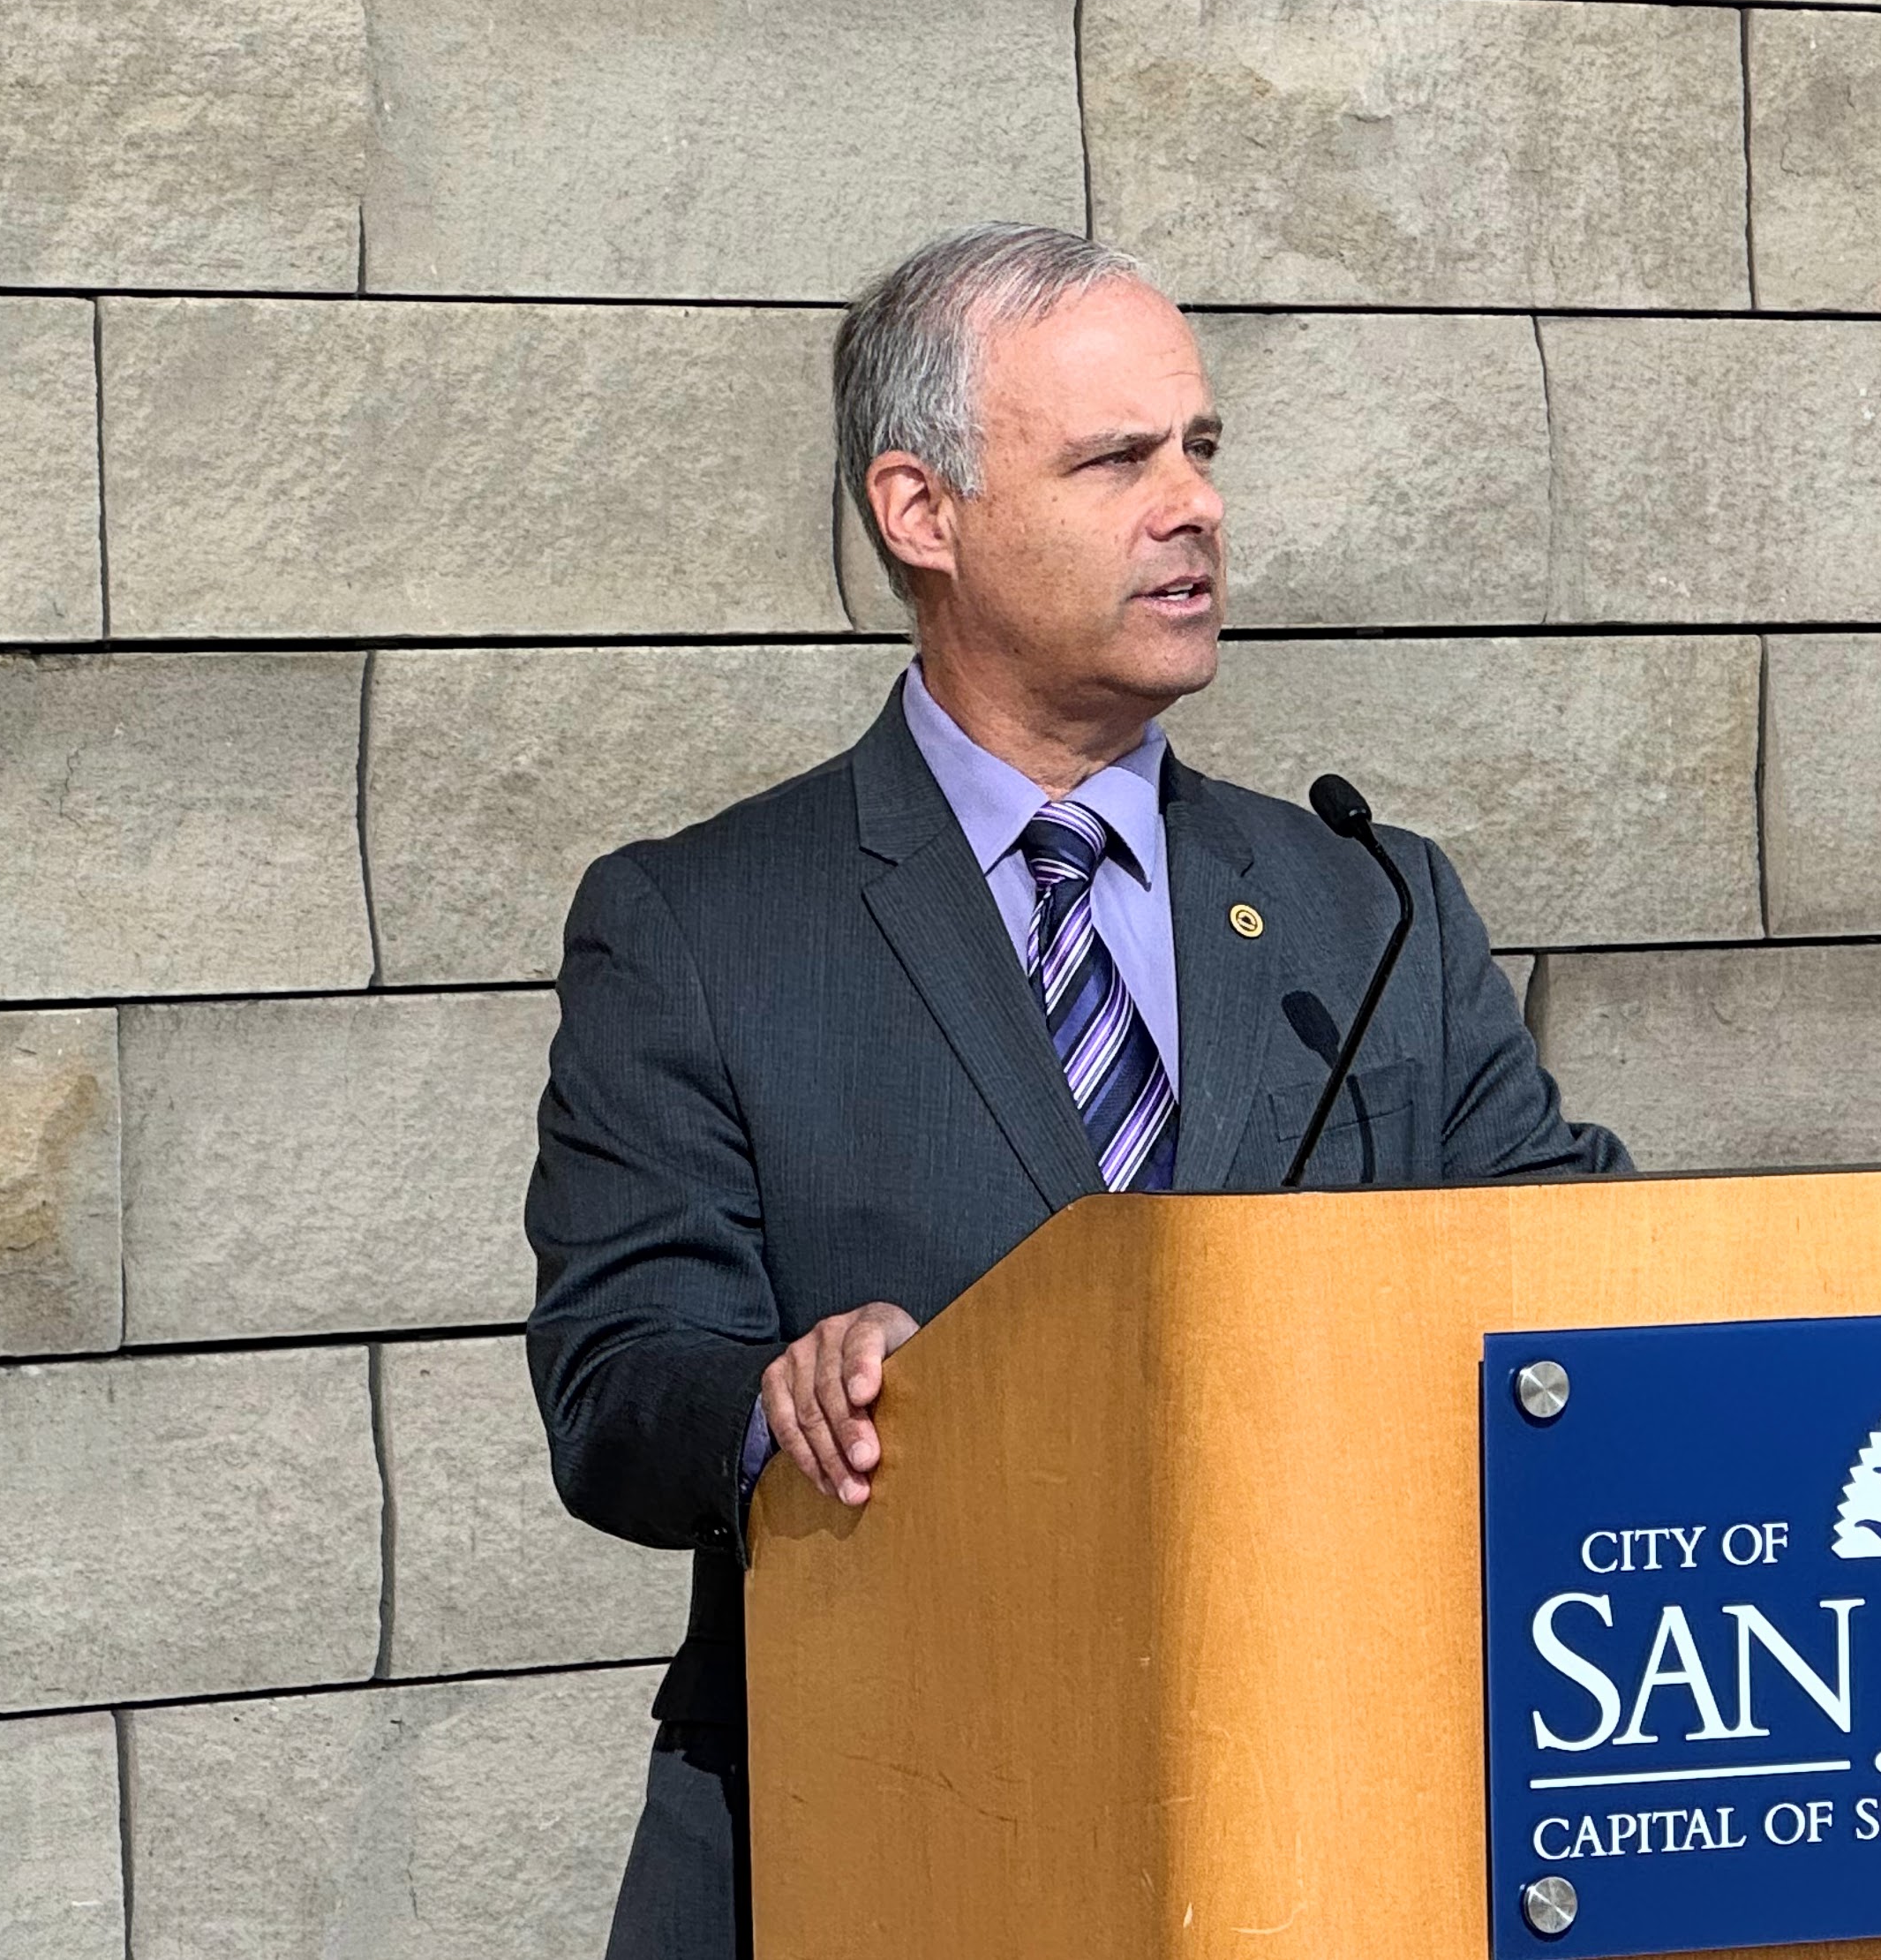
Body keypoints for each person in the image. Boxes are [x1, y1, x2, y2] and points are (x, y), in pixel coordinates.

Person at [524, 221, 1629, 1960]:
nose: (1193, 506)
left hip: (1331, 1837)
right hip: (872, 1833)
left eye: (1201, 448)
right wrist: (774, 1397)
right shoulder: (702, 925)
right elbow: (616, 1378)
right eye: (1118, 459)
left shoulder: (1368, 900)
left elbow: (1568, 1263)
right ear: (922, 511)